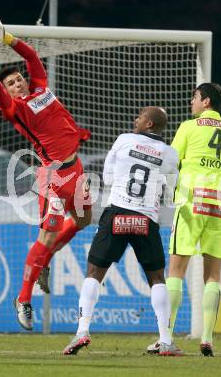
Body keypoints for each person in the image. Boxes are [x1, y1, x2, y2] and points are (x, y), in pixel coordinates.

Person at [0, 20, 92, 331]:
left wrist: (8, 38)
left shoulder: (40, 89)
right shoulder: (14, 108)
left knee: (84, 220)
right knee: (47, 234)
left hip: (75, 169)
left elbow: (33, 57)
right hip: (52, 177)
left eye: (19, 79)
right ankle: (23, 298)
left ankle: (45, 261)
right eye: (12, 83)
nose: (18, 84)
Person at [147, 83, 221, 356]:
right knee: (213, 276)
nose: (192, 102)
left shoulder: (189, 127)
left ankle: (166, 337)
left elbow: (171, 161)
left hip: (191, 204)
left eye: (195, 97)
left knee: (176, 272)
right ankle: (208, 338)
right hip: (220, 206)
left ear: (206, 101)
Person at [63, 106, 182, 356]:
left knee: (94, 272)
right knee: (157, 278)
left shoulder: (124, 140)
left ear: (148, 123)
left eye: (140, 116)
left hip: (117, 212)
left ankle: (82, 331)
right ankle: (166, 339)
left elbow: (107, 178)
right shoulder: (170, 154)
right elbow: (171, 189)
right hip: (146, 218)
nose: (135, 119)